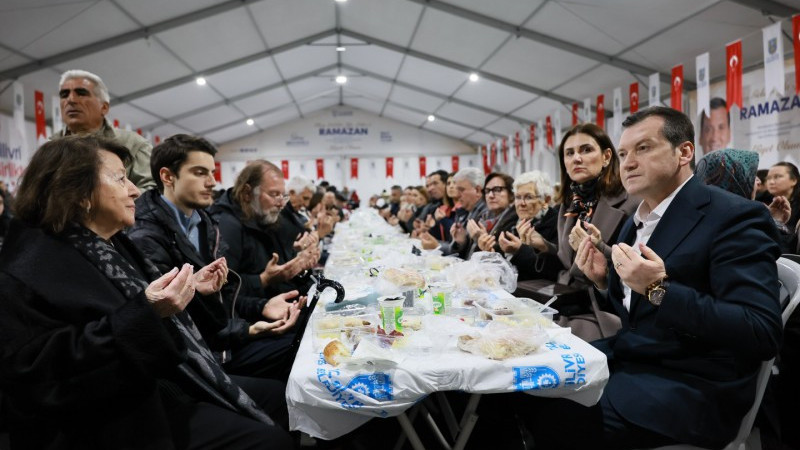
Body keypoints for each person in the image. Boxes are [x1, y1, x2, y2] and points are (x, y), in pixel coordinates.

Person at [0, 136, 292, 449]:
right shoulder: (28, 267)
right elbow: (38, 372)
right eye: (120, 178)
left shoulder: (107, 243)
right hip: (105, 420)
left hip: (155, 384)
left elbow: (149, 310)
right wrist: (148, 312)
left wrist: (190, 290)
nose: (135, 190)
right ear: (78, 191)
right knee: (269, 437)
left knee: (280, 398)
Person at [565, 106, 782, 449]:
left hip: (690, 387)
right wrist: (606, 281)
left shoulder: (734, 216)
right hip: (634, 361)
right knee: (524, 384)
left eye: (643, 148)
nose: (628, 162)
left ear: (684, 152)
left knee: (554, 415)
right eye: (622, 153)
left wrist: (657, 290)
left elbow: (759, 330)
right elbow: (638, 315)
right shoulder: (637, 219)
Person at [127, 134, 305, 380]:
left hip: (223, 341)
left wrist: (261, 306)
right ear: (167, 177)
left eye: (212, 172)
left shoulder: (204, 223)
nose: (212, 181)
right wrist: (249, 329)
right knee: (298, 355)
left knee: (304, 343)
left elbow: (223, 294)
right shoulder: (147, 235)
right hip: (198, 362)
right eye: (200, 173)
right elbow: (180, 322)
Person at [209, 160, 317, 301]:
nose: (281, 203)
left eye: (282, 196)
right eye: (273, 194)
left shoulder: (262, 215)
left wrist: (298, 264)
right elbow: (222, 289)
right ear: (247, 193)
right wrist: (263, 280)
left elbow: (275, 267)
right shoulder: (227, 225)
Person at [551, 123, 639, 290]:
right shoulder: (568, 204)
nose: (576, 158)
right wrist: (542, 247)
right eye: (569, 153)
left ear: (606, 157)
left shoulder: (632, 203)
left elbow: (638, 268)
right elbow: (566, 261)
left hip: (601, 303)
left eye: (586, 150)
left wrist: (600, 248)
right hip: (565, 297)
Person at [52, 70, 155, 191]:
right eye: (64, 95)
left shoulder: (134, 144)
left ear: (104, 107)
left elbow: (151, 192)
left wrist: (113, 205)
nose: (71, 100)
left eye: (81, 93)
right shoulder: (50, 148)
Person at [494, 170, 561, 281]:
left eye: (529, 197)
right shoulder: (512, 221)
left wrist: (519, 251)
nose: (521, 203)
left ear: (546, 200)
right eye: (518, 197)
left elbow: (552, 271)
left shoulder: (556, 224)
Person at [469, 172, 515, 258]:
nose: (490, 195)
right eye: (487, 191)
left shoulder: (515, 219)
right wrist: (461, 242)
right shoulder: (482, 218)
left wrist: (483, 239)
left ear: (511, 193)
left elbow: (509, 257)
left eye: (497, 190)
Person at [444, 167, 487, 258]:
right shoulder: (469, 210)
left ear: (478, 190)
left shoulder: (486, 213)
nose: (457, 194)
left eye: (461, 190)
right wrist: (460, 242)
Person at [766, 162, 800, 230]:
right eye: (768, 178)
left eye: (777, 177)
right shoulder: (760, 201)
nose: (771, 182)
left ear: (794, 180)